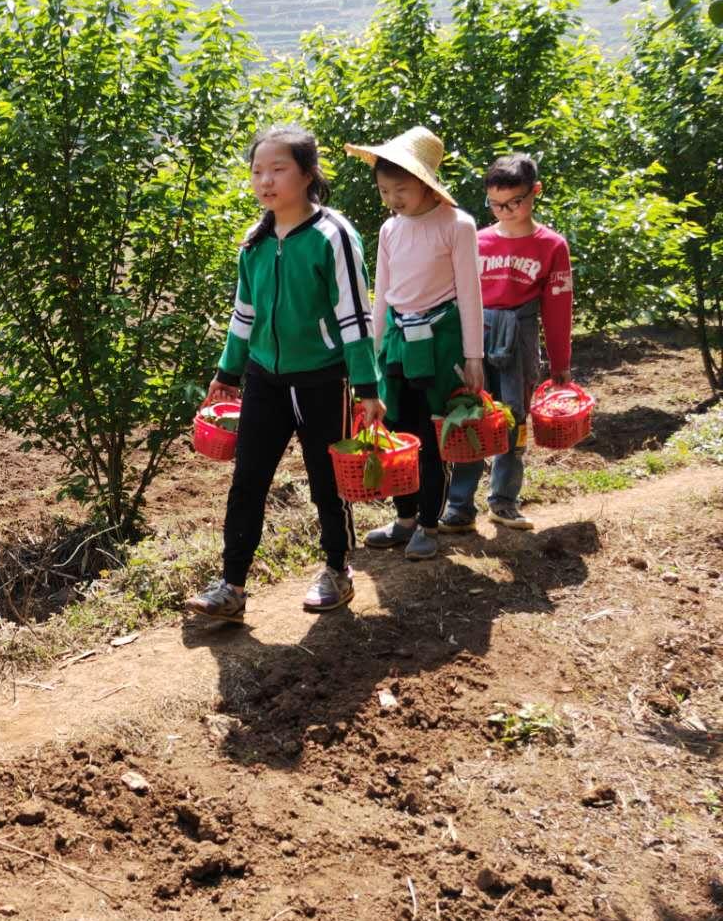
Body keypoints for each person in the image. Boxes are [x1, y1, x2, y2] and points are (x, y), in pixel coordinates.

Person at [184, 125, 383, 621]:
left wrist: (366, 387)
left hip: (323, 378)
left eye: (278, 170)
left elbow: (354, 314)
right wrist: (227, 371)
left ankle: (337, 569)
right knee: (248, 479)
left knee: (325, 479)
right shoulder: (254, 241)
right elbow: (243, 314)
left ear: (307, 173)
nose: (265, 181)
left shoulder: (332, 235)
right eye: (257, 171)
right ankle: (231, 586)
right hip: (265, 378)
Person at [346, 126, 485, 562]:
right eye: (385, 190)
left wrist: (473, 356)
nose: (392, 199)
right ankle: (404, 518)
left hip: (439, 344)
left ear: (425, 183)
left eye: (400, 190)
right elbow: (382, 293)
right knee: (396, 431)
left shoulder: (457, 225)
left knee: (429, 435)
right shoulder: (391, 230)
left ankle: (429, 522)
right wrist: (372, 352)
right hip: (398, 346)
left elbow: (470, 294)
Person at [440, 153, 573, 532]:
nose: (505, 211)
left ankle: (504, 500)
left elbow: (558, 307)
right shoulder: (475, 239)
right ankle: (459, 505)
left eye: (514, 202)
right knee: (469, 414)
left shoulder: (551, 245)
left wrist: (561, 362)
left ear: (535, 192)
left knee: (514, 417)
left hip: (521, 334)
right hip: (474, 335)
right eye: (495, 204)